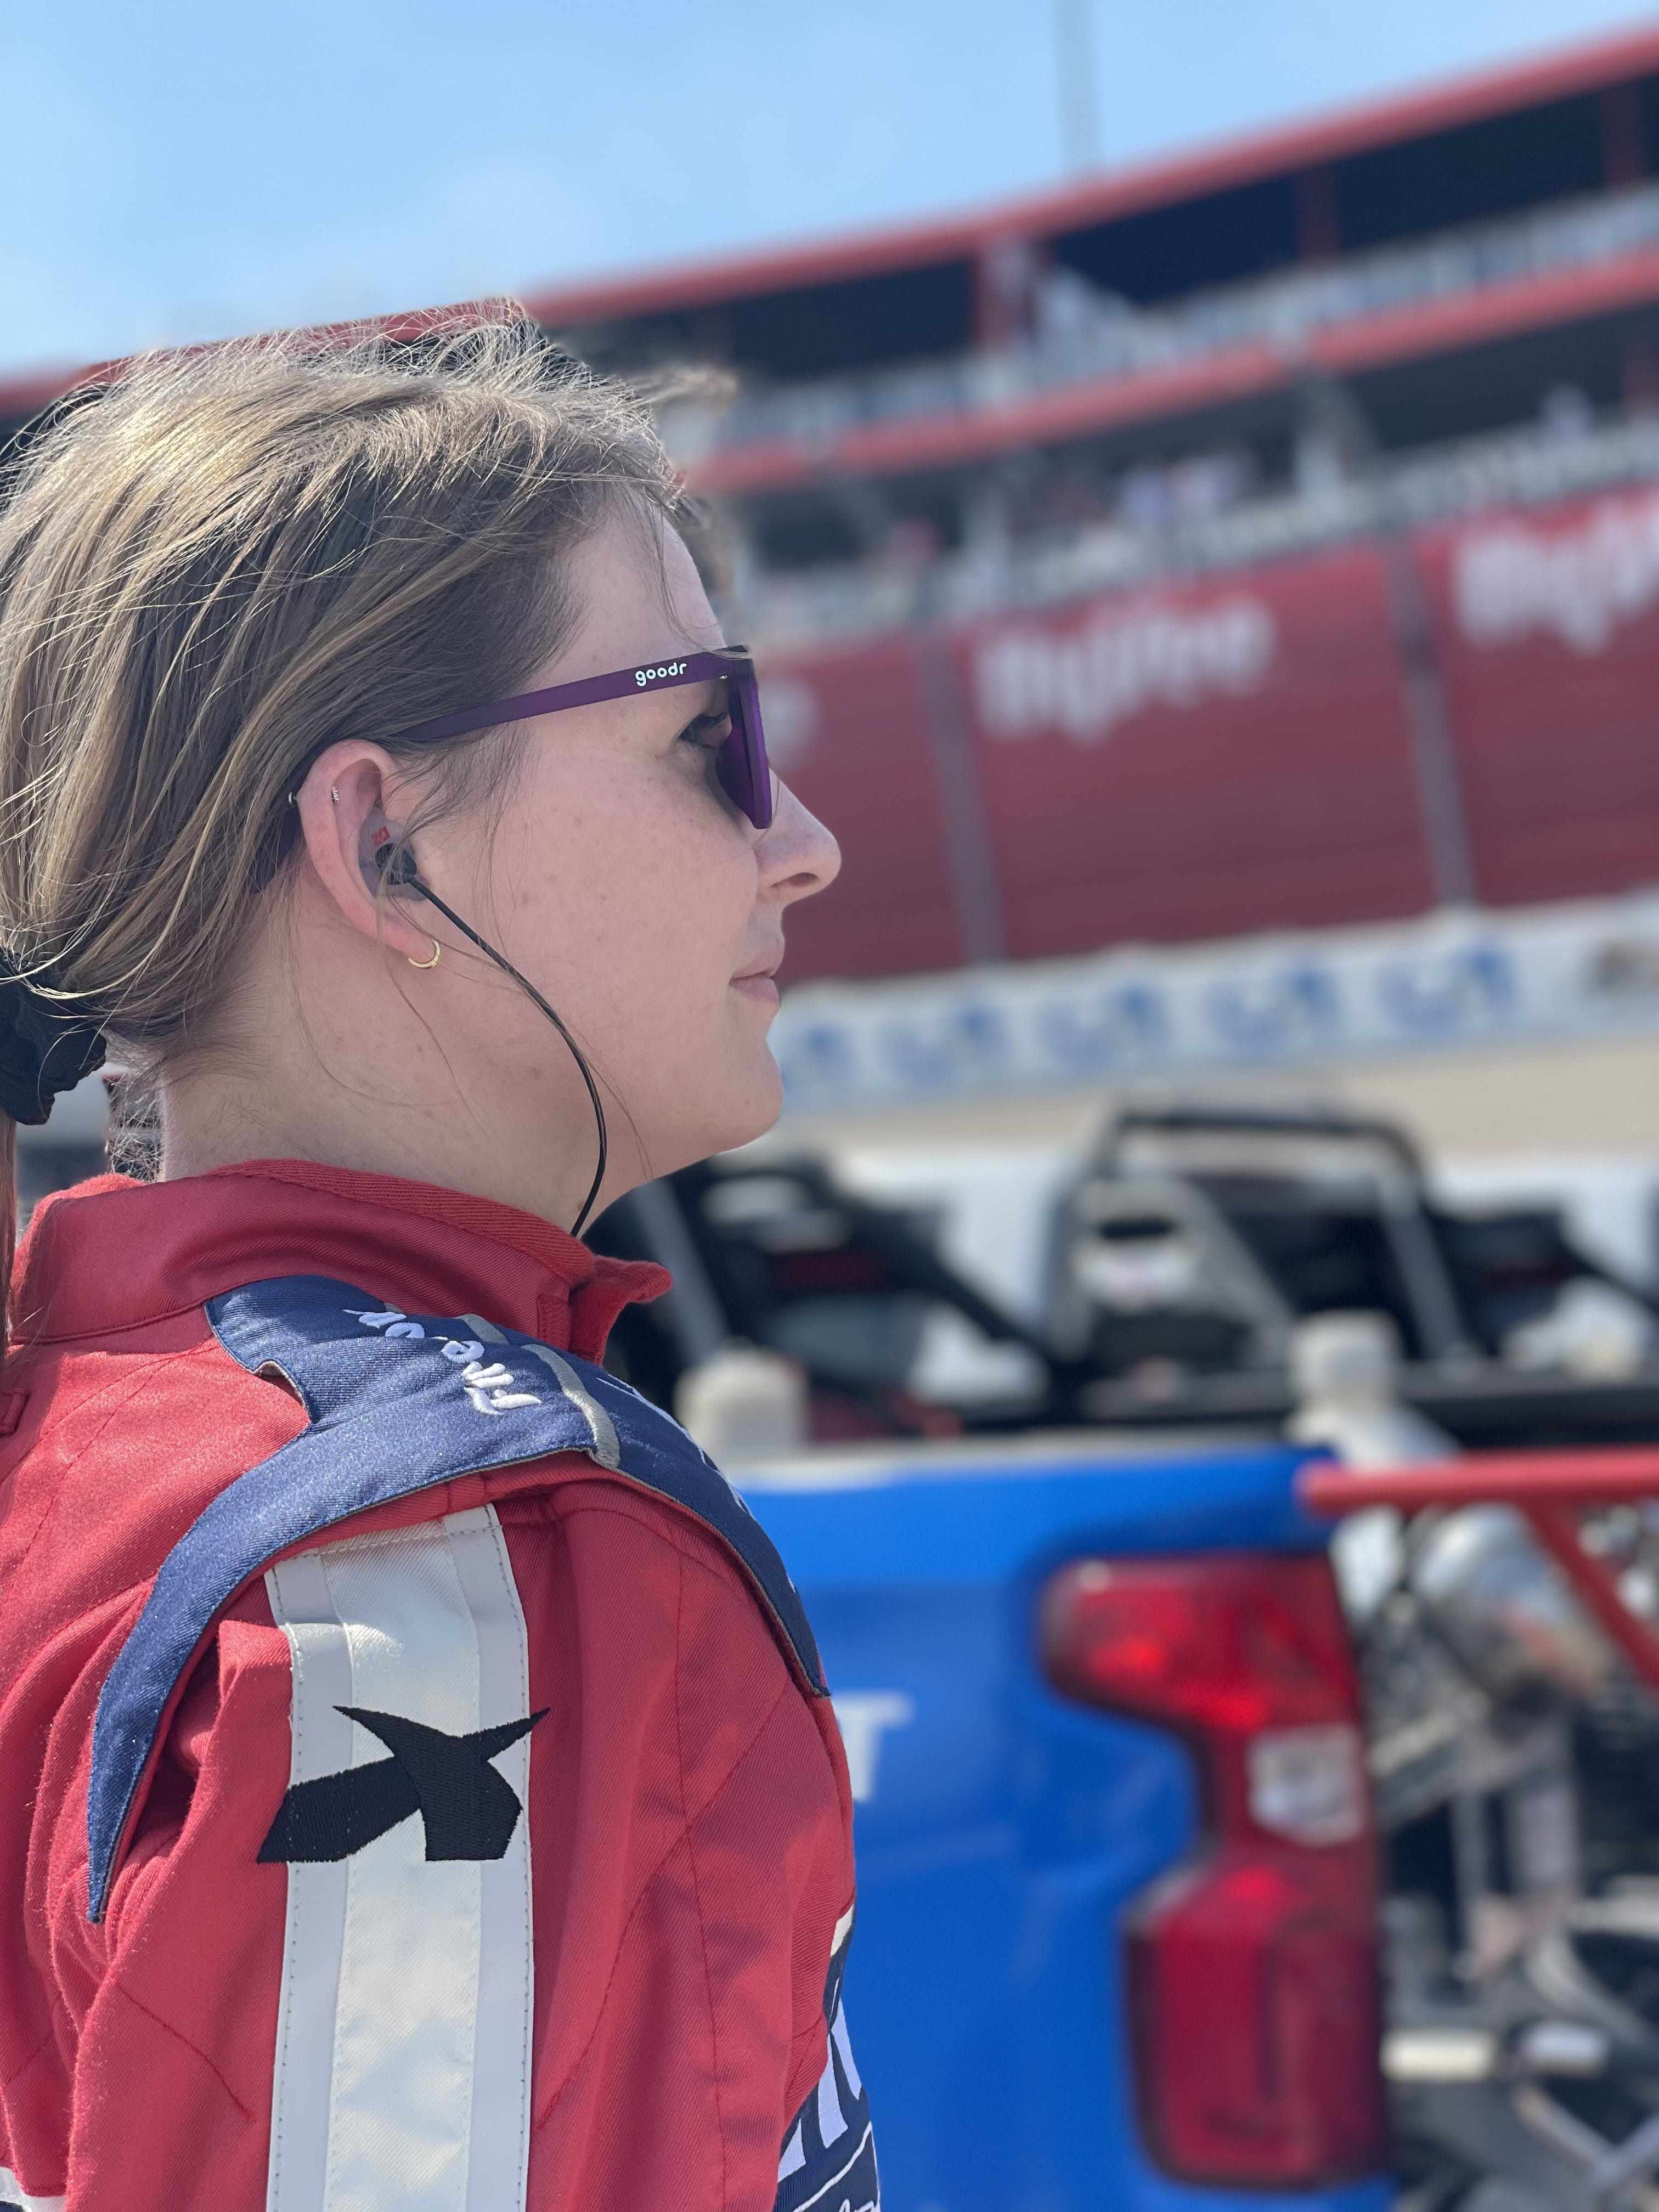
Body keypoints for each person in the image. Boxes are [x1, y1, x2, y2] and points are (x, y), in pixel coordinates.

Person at [0, 323, 873, 2212]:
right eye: (707, 738)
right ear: (383, 846)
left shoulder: (84, 1422)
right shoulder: (465, 1558)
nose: (801, 840)